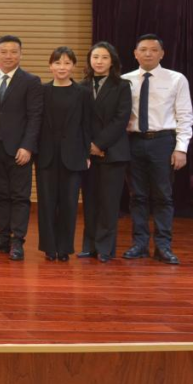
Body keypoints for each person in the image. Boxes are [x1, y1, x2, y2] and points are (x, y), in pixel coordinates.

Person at [122, 34, 193, 265]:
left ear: (162, 54)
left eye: (154, 50)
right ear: (135, 53)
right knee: (137, 196)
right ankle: (140, 244)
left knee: (163, 195)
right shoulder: (124, 80)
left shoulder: (176, 79)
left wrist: (181, 148)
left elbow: (185, 115)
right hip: (133, 141)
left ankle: (163, 246)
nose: (148, 54)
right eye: (143, 49)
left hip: (163, 141)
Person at [0, 35, 43, 262]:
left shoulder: (31, 81)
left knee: (20, 197)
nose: (8, 56)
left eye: (13, 51)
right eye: (4, 52)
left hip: (19, 151)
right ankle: (2, 239)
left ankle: (17, 241)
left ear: (20, 54)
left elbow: (35, 117)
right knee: (1, 195)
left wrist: (27, 146)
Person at [36, 47, 93, 262]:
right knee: (47, 203)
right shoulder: (41, 91)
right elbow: (35, 123)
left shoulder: (83, 93)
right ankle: (49, 248)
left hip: (74, 155)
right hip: (46, 155)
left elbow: (87, 125)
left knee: (69, 203)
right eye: (58, 63)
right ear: (50, 66)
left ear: (73, 66)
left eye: (67, 63)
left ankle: (65, 248)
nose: (62, 67)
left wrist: (87, 153)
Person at [80, 42, 132, 263]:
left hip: (113, 152)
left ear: (112, 61)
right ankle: (89, 246)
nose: (99, 61)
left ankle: (105, 248)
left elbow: (121, 119)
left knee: (109, 203)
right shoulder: (81, 86)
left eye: (104, 57)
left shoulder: (122, 86)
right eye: (95, 57)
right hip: (87, 153)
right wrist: (88, 146)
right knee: (90, 201)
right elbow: (78, 120)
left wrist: (99, 144)